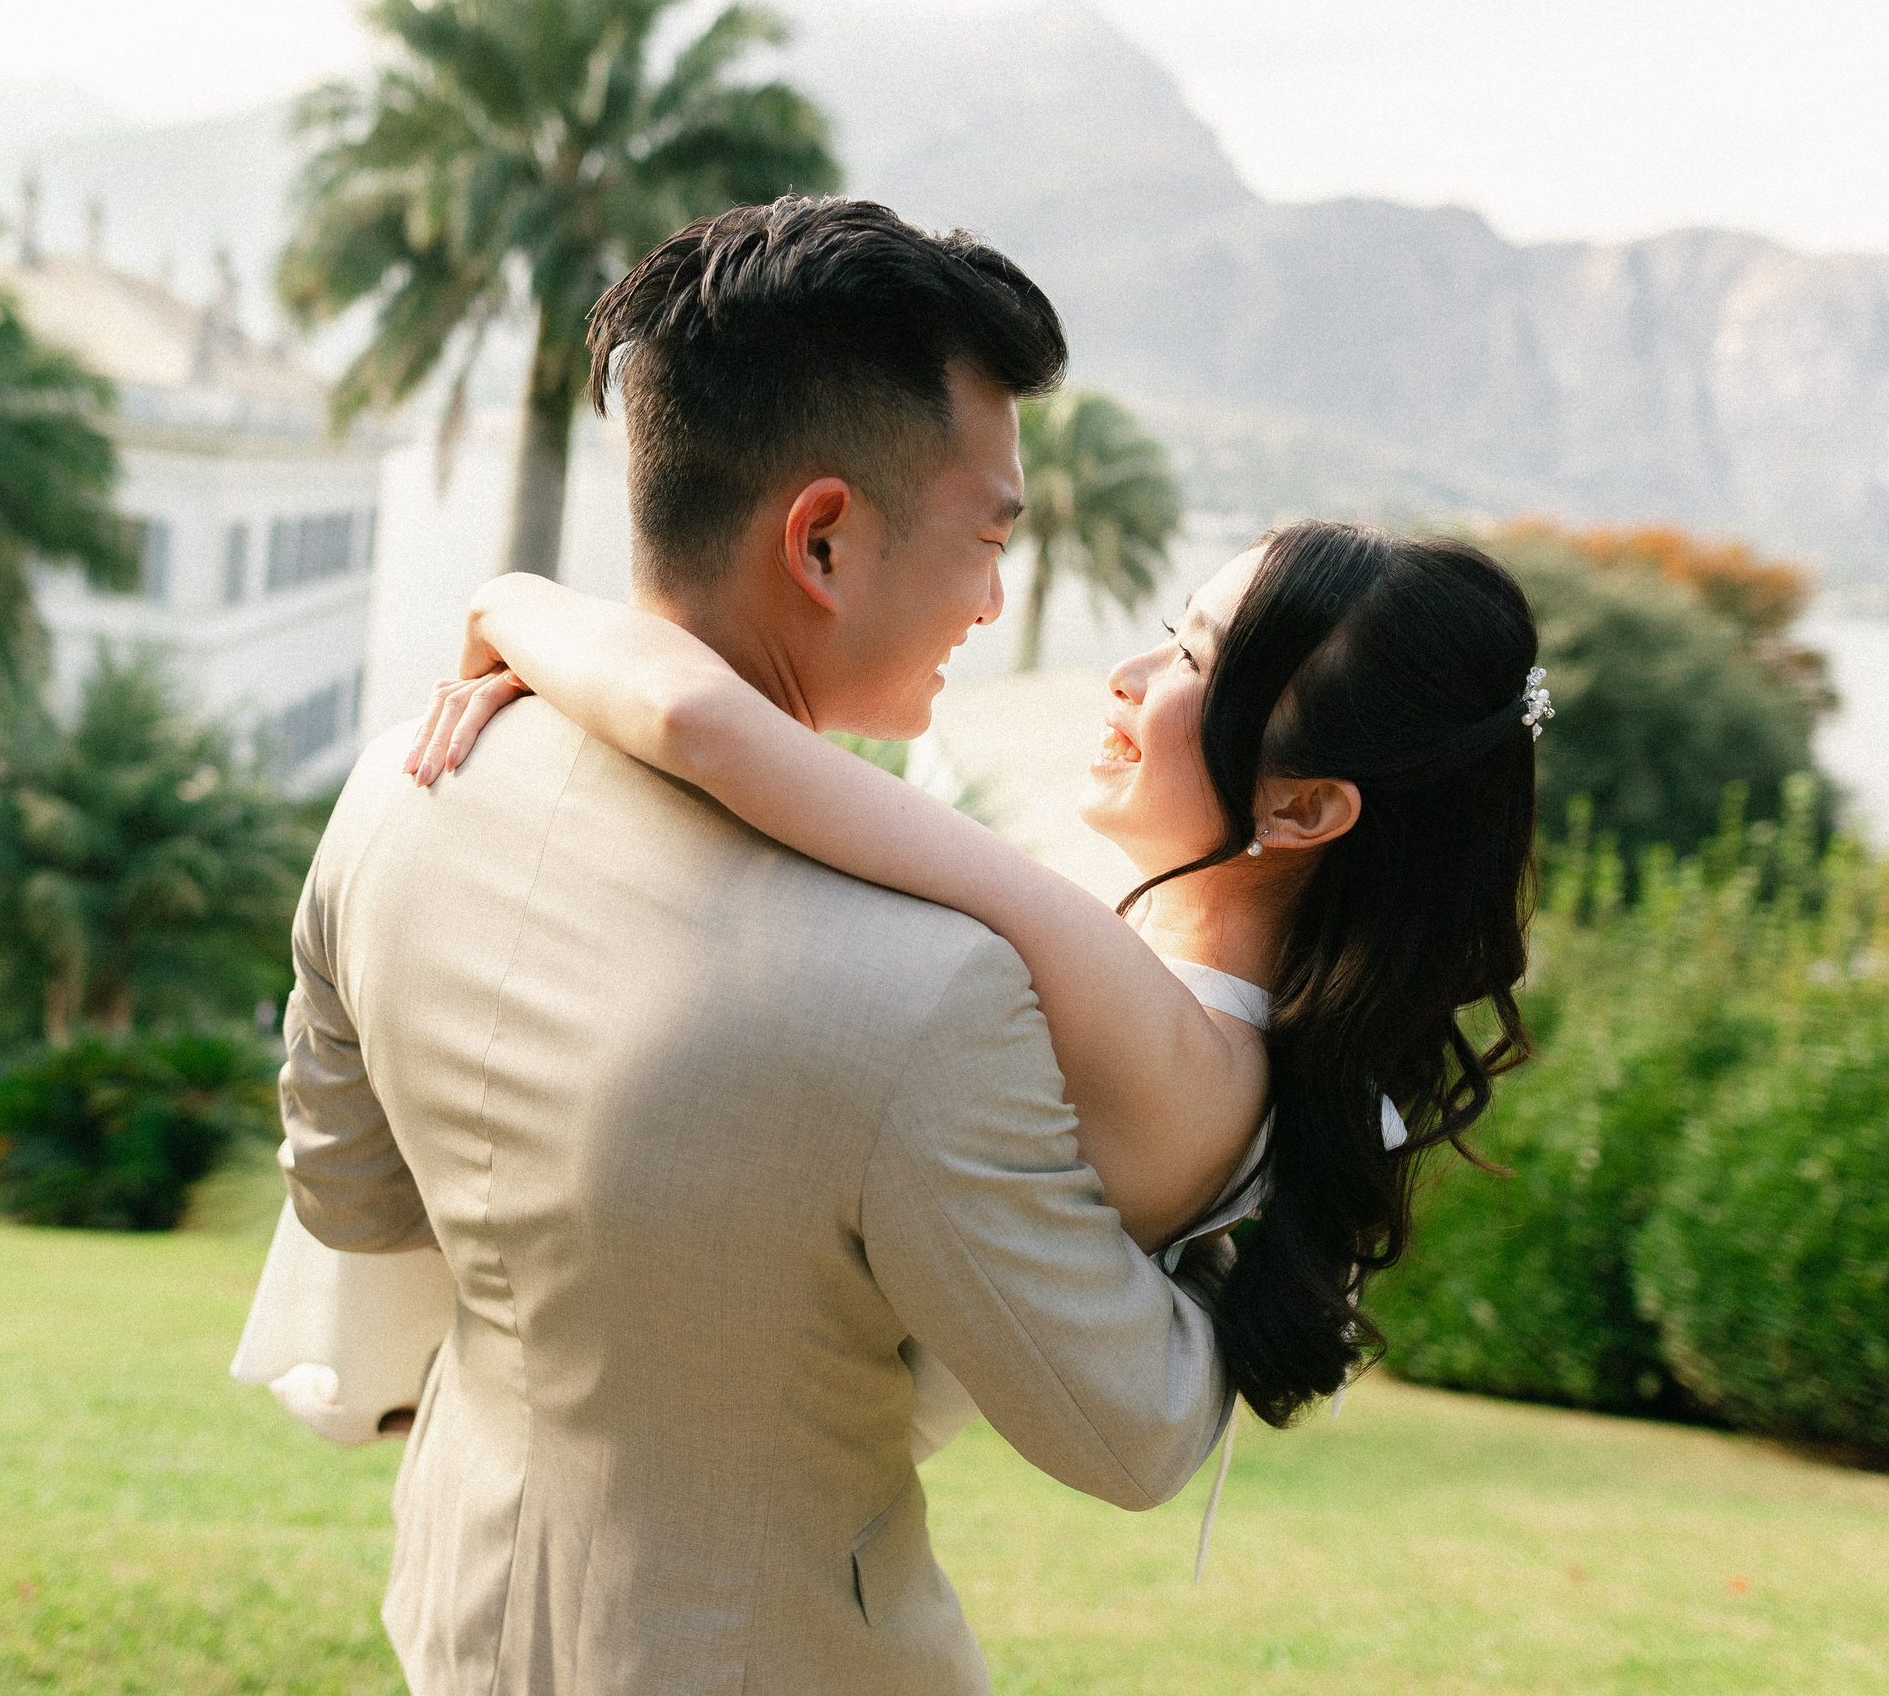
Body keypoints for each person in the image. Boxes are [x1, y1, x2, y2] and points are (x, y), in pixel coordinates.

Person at [274, 197, 1233, 1696]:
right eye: (988, 538)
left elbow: (346, 1186)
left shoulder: (400, 787)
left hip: (462, 1614)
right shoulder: (924, 989)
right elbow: (1133, 1429)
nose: (995, 600)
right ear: (823, 538)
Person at [414, 517, 1547, 1429]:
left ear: (1302, 809)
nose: (1128, 674)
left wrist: (503, 603)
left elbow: (699, 721)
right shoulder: (1212, 1053)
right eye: (1169, 631)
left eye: (1195, 660)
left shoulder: (1154, 1030)